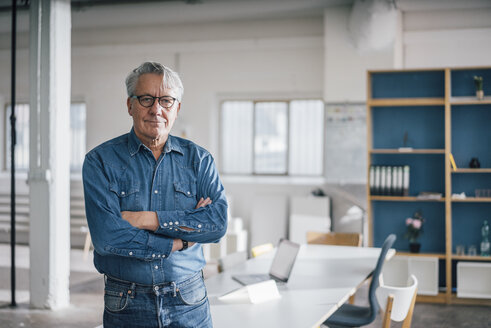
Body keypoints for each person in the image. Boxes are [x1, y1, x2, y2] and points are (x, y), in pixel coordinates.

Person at [82, 61, 228, 328]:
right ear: (130, 105)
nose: (156, 109)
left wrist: (148, 219)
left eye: (166, 100)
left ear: (177, 108)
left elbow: (216, 224)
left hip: (188, 300)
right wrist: (177, 242)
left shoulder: (199, 160)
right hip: (126, 301)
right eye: (146, 99)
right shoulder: (100, 161)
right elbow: (107, 238)